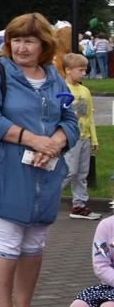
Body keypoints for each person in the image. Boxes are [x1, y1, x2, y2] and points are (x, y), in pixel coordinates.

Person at [0, 12, 77, 307]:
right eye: (16, 39)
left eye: (30, 40)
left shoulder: (54, 76)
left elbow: (71, 118)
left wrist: (56, 142)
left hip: (47, 174)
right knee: (7, 240)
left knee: (35, 243)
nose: (22, 46)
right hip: (10, 168)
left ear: (45, 44)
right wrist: (33, 139)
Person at [60, 53, 100, 220]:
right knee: (69, 171)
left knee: (82, 173)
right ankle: (45, 199)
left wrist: (93, 138)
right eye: (81, 69)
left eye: (85, 69)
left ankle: (79, 206)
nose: (84, 73)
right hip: (70, 138)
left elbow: (89, 116)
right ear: (68, 70)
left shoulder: (85, 90)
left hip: (84, 138)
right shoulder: (62, 88)